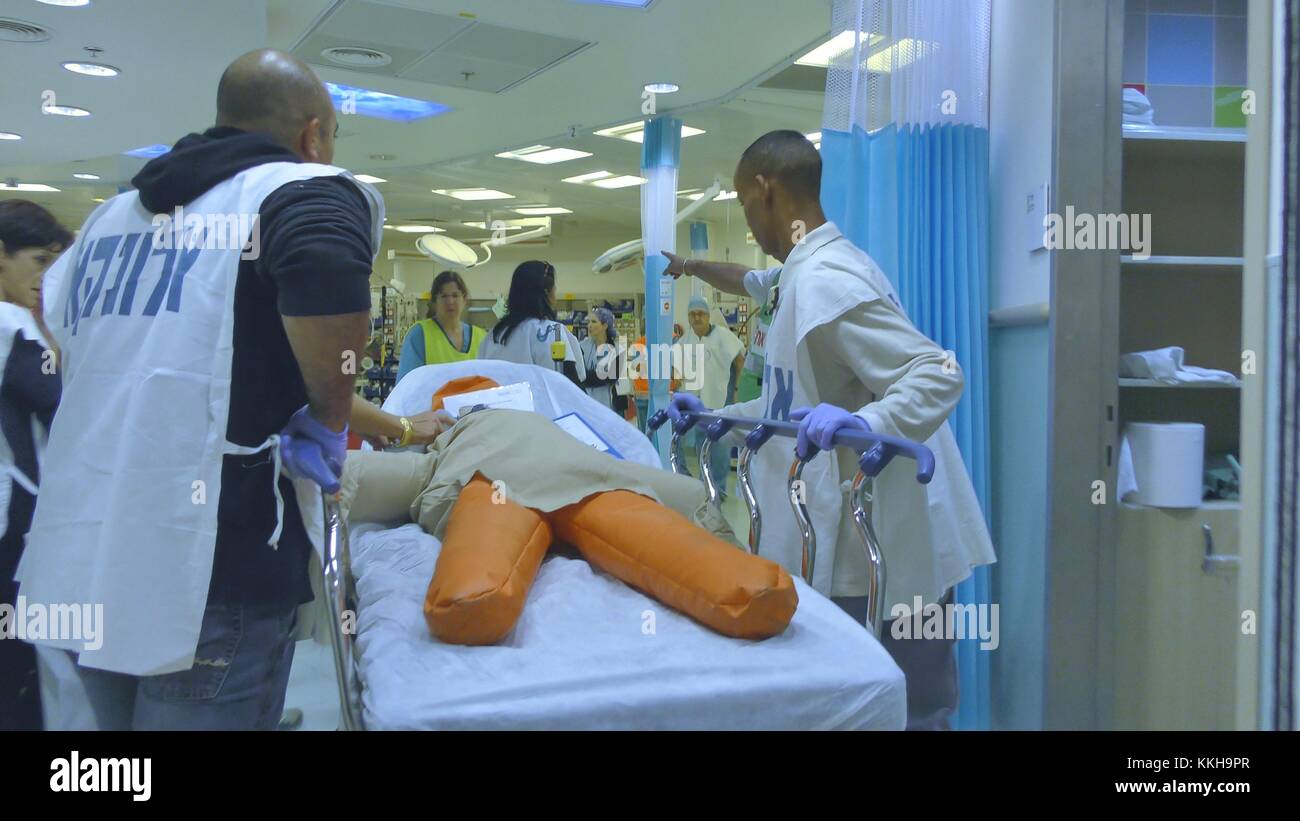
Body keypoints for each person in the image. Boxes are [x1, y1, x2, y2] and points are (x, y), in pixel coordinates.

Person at [18, 48, 388, 731]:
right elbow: (324, 254)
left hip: (84, 550)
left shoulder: (109, 220)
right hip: (211, 565)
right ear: (313, 136)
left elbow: (60, 323)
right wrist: (330, 418)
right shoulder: (295, 189)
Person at [661, 130, 995, 730]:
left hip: (893, 543)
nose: (747, 219)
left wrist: (866, 422)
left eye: (742, 203)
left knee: (913, 710)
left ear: (765, 191)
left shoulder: (827, 280)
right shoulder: (800, 274)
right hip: (854, 540)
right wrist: (718, 419)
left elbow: (939, 373)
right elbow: (791, 407)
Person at [0, 200, 72, 730]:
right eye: (39, 261)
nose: (48, 277)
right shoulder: (12, 325)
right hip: (17, 526)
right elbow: (62, 403)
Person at [673, 295, 744, 495]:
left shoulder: (722, 335)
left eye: (701, 314)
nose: (697, 318)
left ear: (707, 316)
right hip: (696, 404)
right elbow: (677, 368)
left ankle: (719, 489)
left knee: (719, 447)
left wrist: (737, 389)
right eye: (692, 314)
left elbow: (740, 361)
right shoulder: (685, 340)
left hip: (720, 399)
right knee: (700, 445)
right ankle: (705, 487)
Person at [478, 260, 585, 386]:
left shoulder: (493, 336)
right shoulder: (552, 332)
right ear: (546, 292)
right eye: (554, 287)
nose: (556, 291)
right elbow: (570, 386)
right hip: (541, 404)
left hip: (500, 405)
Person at [396, 269, 486, 384]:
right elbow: (406, 386)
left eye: (455, 295)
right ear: (434, 302)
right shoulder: (419, 335)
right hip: (431, 402)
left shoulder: (481, 337)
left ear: (464, 300)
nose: (450, 301)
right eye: (444, 296)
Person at [578, 307, 626, 415]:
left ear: (605, 326)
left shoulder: (617, 349)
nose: (589, 325)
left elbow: (609, 377)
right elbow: (578, 375)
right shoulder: (582, 346)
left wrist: (588, 376)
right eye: (588, 322)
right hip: (586, 402)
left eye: (594, 322)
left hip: (610, 404)